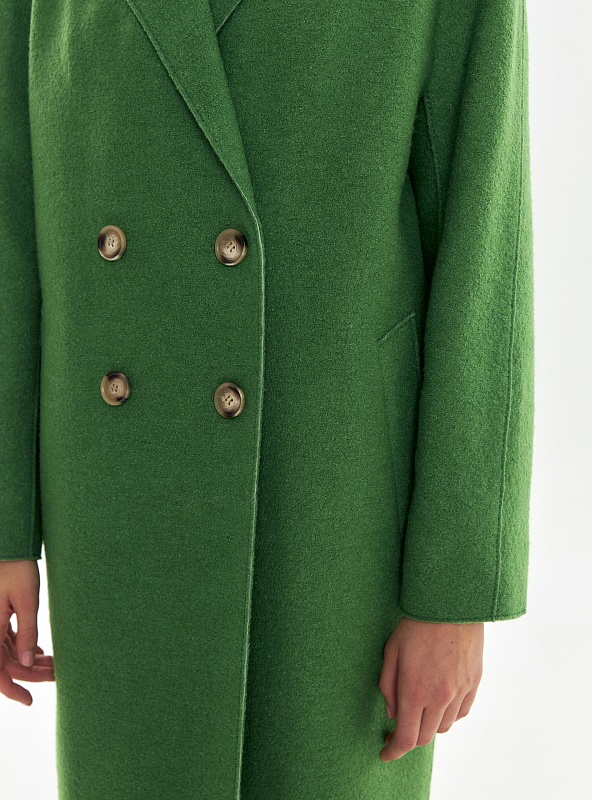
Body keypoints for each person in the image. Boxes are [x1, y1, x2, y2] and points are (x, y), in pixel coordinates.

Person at [0, 0, 534, 797]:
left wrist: (455, 593)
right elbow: (9, 219)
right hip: (120, 519)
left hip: (332, 524)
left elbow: (483, 245)